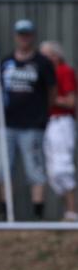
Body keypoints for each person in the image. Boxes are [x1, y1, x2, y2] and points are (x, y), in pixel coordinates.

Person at [0, 19, 57, 220]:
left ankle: (37, 213)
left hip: (33, 125)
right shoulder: (7, 62)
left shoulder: (42, 63)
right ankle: (5, 212)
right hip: (8, 124)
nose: (24, 38)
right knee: (4, 168)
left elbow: (52, 92)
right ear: (15, 36)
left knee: (35, 168)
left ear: (32, 36)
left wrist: (42, 114)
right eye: (20, 34)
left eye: (27, 34)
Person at [39, 41, 77, 221]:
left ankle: (72, 212)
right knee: (53, 172)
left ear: (55, 56)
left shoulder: (64, 71)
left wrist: (47, 99)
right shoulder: (45, 75)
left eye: (46, 55)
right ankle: (68, 212)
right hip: (49, 123)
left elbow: (71, 102)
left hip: (62, 122)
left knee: (63, 167)